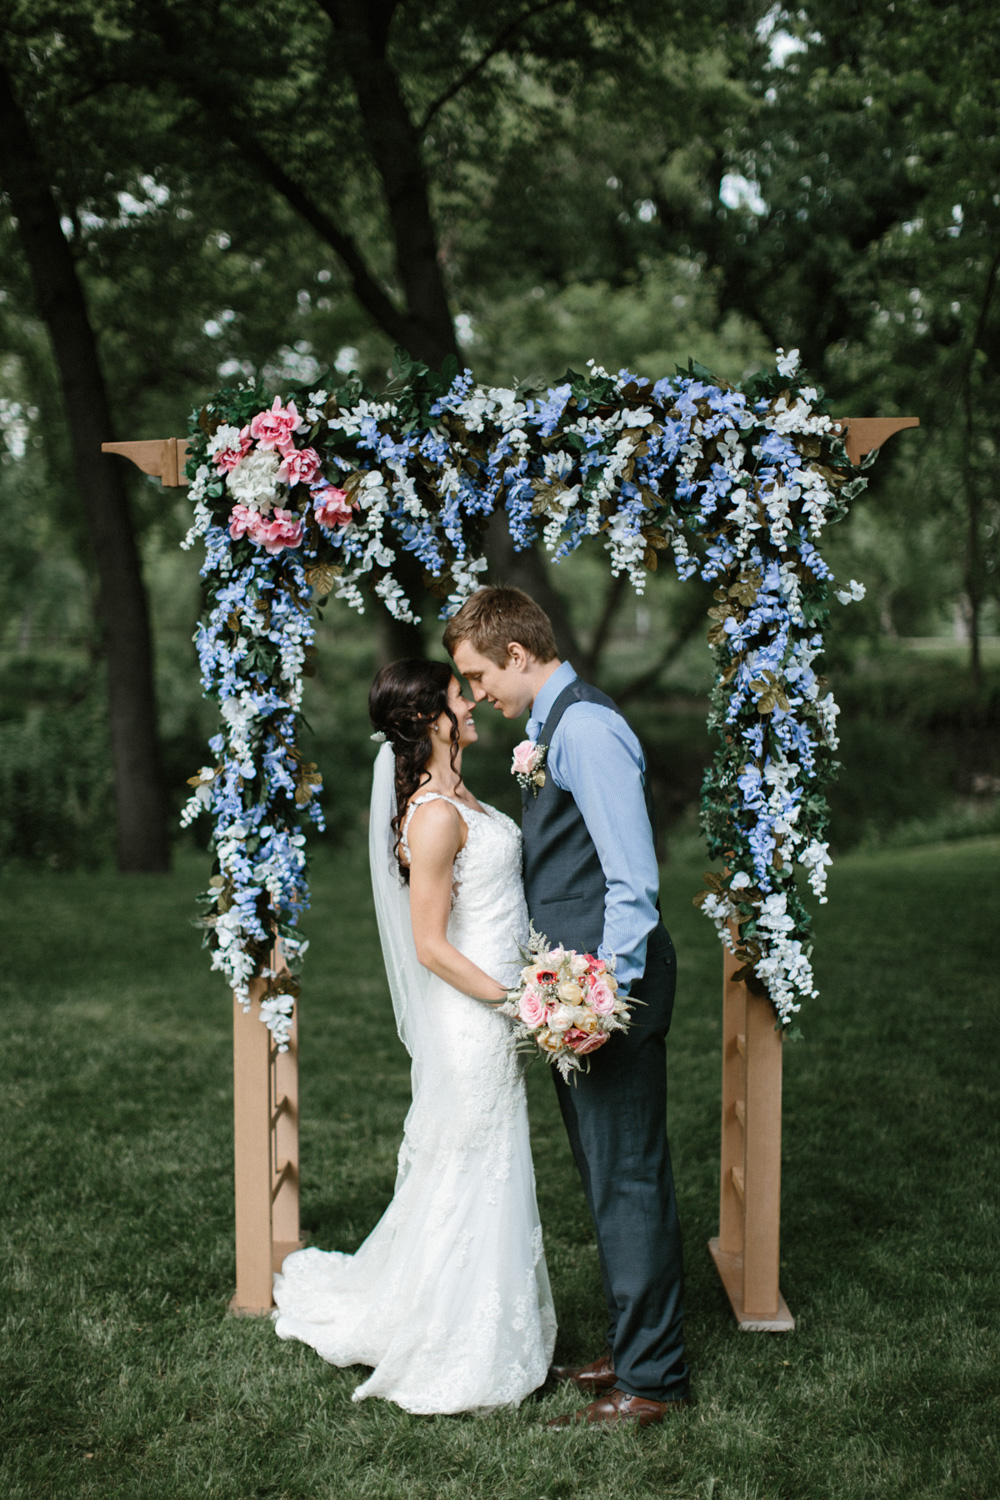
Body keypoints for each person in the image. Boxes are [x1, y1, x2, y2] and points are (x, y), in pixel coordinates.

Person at [272, 658, 556, 1414]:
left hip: (495, 1009)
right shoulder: (433, 815)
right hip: (474, 1018)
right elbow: (429, 945)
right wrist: (517, 1002)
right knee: (470, 1169)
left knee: (479, 1166)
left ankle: (478, 1316)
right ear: (432, 718)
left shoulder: (462, 797)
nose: (472, 704)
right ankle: (452, 1336)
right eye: (460, 696)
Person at [445, 587, 690, 1430]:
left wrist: (601, 997)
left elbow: (633, 883)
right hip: (574, 993)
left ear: (516, 653)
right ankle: (633, 1349)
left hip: (603, 994)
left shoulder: (583, 729)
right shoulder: (550, 729)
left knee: (627, 1178)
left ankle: (652, 1380)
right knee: (604, 1174)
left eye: (479, 676)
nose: (477, 695)